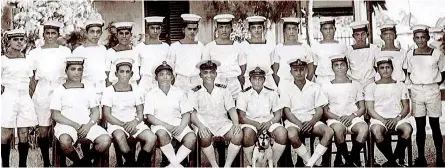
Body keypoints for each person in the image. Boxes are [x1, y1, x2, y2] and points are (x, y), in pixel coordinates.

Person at [50, 56, 111, 166]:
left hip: (86, 123)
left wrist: (88, 125)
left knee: (105, 140)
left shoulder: (89, 88)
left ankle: (82, 164)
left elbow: (96, 111)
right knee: (64, 142)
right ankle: (83, 164)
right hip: (66, 124)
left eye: (79, 69)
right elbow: (55, 115)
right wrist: (74, 125)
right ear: (66, 71)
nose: (76, 72)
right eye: (73, 69)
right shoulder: (58, 90)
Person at [27, 20, 72, 167]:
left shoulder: (65, 51)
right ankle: (46, 162)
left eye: (54, 33)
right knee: (43, 127)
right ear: (43, 34)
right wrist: (35, 93)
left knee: (62, 124)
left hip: (60, 88)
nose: (50, 36)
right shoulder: (34, 53)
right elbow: (31, 77)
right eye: (48, 33)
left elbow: (70, 72)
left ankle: (61, 162)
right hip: (43, 89)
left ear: (58, 34)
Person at [102, 58, 157, 166]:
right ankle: (133, 164)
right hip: (116, 124)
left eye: (127, 72)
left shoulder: (136, 90)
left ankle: (138, 164)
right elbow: (107, 114)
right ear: (116, 73)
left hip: (134, 122)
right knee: (119, 137)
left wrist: (135, 122)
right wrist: (123, 125)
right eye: (121, 71)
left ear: (131, 74)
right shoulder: (108, 91)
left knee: (152, 138)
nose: (124, 75)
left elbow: (141, 112)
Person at [188, 60, 243, 167]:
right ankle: (214, 165)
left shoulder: (223, 89)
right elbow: (193, 114)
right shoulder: (194, 91)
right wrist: (200, 126)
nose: (209, 75)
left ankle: (227, 165)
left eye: (212, 72)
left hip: (222, 122)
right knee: (204, 136)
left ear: (216, 74)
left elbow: (231, 109)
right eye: (205, 72)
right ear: (200, 75)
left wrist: (236, 123)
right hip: (204, 123)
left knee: (238, 135)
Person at [281, 58, 334, 167]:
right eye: (295, 70)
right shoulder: (286, 88)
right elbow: (287, 111)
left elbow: (319, 110)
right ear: (291, 72)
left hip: (311, 120)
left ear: (306, 70)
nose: (299, 73)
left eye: (301, 69)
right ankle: (310, 163)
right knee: (291, 134)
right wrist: (299, 124)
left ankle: (309, 164)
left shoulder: (315, 87)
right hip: (294, 121)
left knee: (329, 132)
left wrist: (311, 123)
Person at [144, 61, 197, 168]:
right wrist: (167, 126)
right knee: (162, 134)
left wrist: (181, 126)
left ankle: (172, 165)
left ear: (172, 77)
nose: (165, 77)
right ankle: (177, 165)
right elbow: (150, 116)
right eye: (161, 75)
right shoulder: (151, 94)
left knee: (191, 137)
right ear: (156, 78)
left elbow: (186, 113)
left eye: (168, 74)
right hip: (159, 125)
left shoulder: (179, 92)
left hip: (177, 124)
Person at [405, 24, 445, 167]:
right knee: (420, 126)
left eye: (423, 37)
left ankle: (440, 157)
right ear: (414, 39)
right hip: (417, 91)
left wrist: (433, 82)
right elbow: (408, 72)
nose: (420, 40)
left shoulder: (437, 54)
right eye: (417, 38)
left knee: (435, 125)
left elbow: (443, 72)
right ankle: (421, 158)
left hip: (432, 90)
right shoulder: (410, 54)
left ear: (428, 37)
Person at [321, 54, 369, 166]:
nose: (339, 67)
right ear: (332, 68)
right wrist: (339, 118)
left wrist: (352, 116)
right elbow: (325, 111)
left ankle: (349, 161)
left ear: (347, 67)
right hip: (335, 119)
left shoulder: (356, 84)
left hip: (353, 117)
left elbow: (362, 108)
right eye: (336, 65)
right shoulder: (326, 86)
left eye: (342, 64)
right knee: (338, 130)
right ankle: (349, 160)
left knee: (364, 128)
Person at [366, 56, 413, 166]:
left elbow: (406, 107)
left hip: (398, 117)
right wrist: (383, 120)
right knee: (376, 131)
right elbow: (370, 109)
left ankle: (392, 161)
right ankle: (393, 162)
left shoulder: (401, 85)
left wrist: (397, 118)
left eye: (388, 67)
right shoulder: (371, 87)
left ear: (392, 69)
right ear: (378, 70)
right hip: (378, 118)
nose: (385, 70)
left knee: (407, 129)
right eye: (382, 68)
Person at [1, 29, 38, 167]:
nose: (19, 42)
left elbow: (31, 82)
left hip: (24, 97)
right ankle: (5, 165)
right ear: (9, 41)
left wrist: (31, 98)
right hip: (9, 97)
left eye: (21, 39)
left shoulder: (27, 60)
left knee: (24, 133)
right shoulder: (2, 60)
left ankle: (22, 165)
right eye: (15, 40)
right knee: (5, 133)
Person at [237, 66, 287, 167]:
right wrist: (254, 123)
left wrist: (270, 123)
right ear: (250, 80)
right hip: (251, 123)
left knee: (282, 133)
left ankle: (271, 162)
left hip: (269, 122)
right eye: (254, 79)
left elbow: (278, 114)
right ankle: (253, 164)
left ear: (264, 80)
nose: (257, 82)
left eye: (260, 79)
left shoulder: (272, 93)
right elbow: (242, 117)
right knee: (247, 135)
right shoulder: (243, 94)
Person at [202, 14, 243, 100]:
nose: (224, 30)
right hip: (216, 83)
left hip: (234, 85)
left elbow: (242, 67)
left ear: (231, 29)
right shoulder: (209, 47)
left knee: (235, 110)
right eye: (221, 27)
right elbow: (205, 69)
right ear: (217, 29)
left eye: (227, 27)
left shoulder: (238, 46)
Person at [273, 17, 315, 94]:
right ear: (284, 31)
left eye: (294, 29)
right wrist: (280, 84)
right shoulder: (279, 48)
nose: (291, 32)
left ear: (298, 31)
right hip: (284, 84)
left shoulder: (305, 47)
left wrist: (305, 85)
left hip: (301, 84)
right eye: (289, 29)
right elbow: (275, 71)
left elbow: (311, 69)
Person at [73, 18, 107, 102]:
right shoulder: (78, 51)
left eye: (98, 32)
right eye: (92, 31)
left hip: (102, 88)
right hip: (86, 87)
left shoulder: (103, 49)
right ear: (86, 33)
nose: (95, 35)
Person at [239, 16, 277, 91]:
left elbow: (273, 67)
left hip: (268, 82)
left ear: (263, 28)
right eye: (253, 28)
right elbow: (242, 72)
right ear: (249, 29)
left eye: (259, 27)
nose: (257, 30)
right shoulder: (243, 46)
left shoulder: (270, 44)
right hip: (250, 82)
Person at [169, 14, 204, 92]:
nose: (192, 31)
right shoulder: (174, 47)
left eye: (194, 29)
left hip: (196, 81)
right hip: (180, 82)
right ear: (183, 30)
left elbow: (203, 67)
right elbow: (171, 67)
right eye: (189, 29)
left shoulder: (201, 46)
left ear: (197, 30)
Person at [135, 16, 170, 95]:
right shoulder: (140, 47)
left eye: (158, 28)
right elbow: (136, 67)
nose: (155, 31)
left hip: (161, 81)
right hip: (145, 81)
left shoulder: (166, 47)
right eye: (152, 28)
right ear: (147, 29)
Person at [311, 17, 348, 85]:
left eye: (331, 28)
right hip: (322, 80)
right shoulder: (315, 46)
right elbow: (314, 66)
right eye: (325, 29)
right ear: (321, 30)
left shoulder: (342, 46)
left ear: (335, 29)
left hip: (337, 80)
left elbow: (346, 64)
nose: (328, 31)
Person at [105, 22, 140, 87]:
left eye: (127, 33)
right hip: (115, 89)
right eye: (121, 33)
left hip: (132, 87)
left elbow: (137, 73)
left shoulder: (135, 51)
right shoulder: (110, 52)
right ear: (116, 35)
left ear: (131, 35)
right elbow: (107, 76)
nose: (124, 36)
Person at [347, 20, 377, 88]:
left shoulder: (374, 49)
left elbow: (377, 67)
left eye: (363, 34)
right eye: (357, 34)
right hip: (355, 84)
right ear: (353, 36)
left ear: (367, 34)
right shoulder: (348, 50)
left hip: (371, 83)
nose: (360, 37)